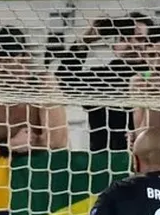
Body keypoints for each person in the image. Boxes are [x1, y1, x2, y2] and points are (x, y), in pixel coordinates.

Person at [0, 26, 69, 157]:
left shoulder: (43, 84)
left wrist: (27, 144)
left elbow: (57, 142)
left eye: (9, 58)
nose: (3, 65)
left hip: (47, 163)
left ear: (25, 58)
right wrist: (9, 145)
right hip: (9, 160)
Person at [55, 13, 153, 151]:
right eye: (124, 38)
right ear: (114, 46)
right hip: (104, 164)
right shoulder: (102, 78)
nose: (133, 44)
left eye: (140, 38)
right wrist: (85, 41)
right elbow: (62, 82)